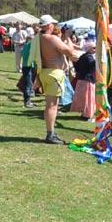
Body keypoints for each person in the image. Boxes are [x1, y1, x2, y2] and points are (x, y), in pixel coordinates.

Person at [32, 14, 82, 144]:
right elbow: (69, 52)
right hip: (54, 74)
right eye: (52, 24)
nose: (54, 26)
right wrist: (69, 40)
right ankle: (50, 134)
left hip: (45, 72)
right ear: (49, 25)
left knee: (50, 105)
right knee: (52, 106)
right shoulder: (52, 38)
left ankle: (51, 133)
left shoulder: (38, 37)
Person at [19, 31, 36, 108]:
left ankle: (28, 101)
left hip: (25, 66)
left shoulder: (25, 46)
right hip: (27, 67)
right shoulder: (30, 45)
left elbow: (22, 54)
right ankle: (27, 102)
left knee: (28, 84)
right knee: (28, 84)